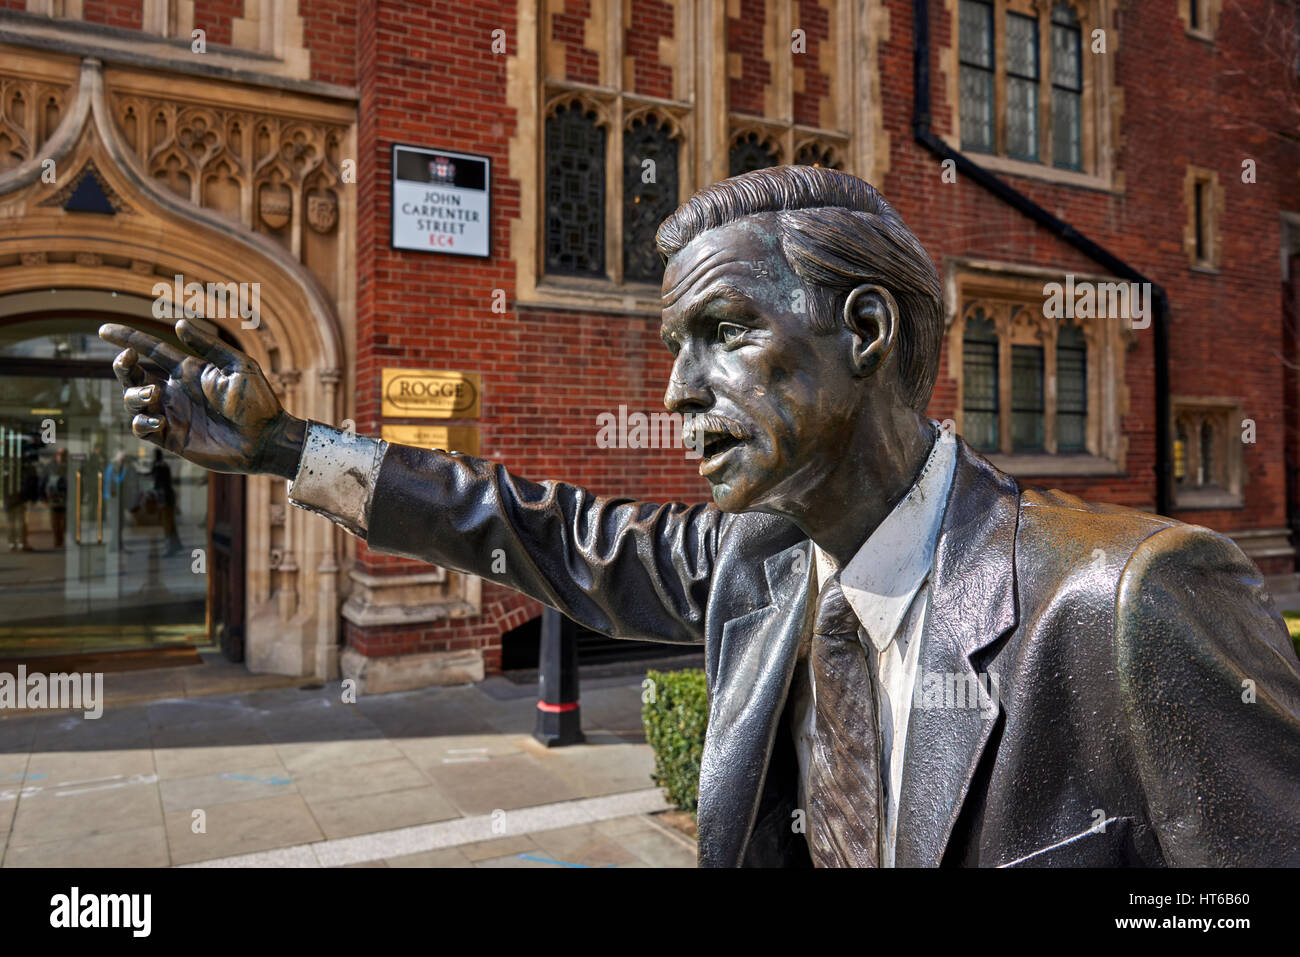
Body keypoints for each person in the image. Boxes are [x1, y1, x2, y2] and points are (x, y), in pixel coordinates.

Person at [99, 166, 1300, 867]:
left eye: (724, 333)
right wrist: (285, 446)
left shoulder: (1121, 604)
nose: (674, 393)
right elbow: (538, 530)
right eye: (672, 347)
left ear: (866, 333)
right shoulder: (760, 563)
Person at [150, 448, 182, 556]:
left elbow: (154, 478)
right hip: (168, 496)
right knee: (170, 522)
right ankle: (175, 545)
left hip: (164, 497)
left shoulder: (157, 466)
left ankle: (171, 547)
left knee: (167, 523)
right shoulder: (164, 465)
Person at [44, 447, 68, 549]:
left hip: (65, 498)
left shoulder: (69, 466)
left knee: (64, 521)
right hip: (53, 497)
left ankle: (60, 539)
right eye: (60, 455)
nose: (61, 457)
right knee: (55, 521)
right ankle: (57, 540)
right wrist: (43, 497)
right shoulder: (50, 466)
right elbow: (44, 480)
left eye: (63, 455)